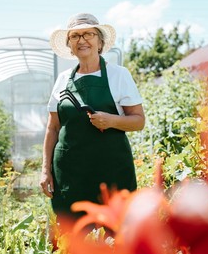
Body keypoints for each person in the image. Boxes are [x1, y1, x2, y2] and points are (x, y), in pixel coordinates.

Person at [40, 12, 145, 224]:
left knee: (116, 232)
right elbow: (52, 128)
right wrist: (45, 170)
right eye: (75, 36)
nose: (82, 40)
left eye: (88, 34)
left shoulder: (119, 75)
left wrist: (112, 120)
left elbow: (138, 121)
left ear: (100, 41)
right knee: (73, 236)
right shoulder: (62, 81)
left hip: (111, 171)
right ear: (70, 45)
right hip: (70, 174)